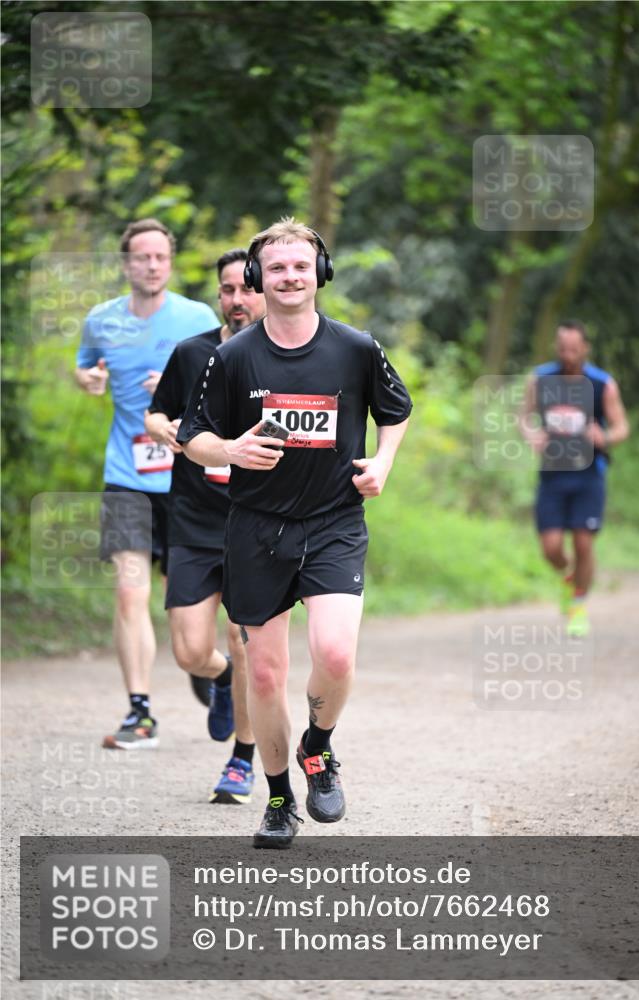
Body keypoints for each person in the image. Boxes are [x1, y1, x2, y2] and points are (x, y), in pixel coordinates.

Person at [178, 217, 412, 848]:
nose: (289, 277)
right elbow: (191, 438)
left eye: (300, 266)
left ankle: (319, 746)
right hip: (256, 530)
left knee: (335, 654)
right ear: (258, 278)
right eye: (276, 268)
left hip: (335, 522)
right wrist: (229, 449)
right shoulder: (232, 357)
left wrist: (382, 463)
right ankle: (279, 798)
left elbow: (396, 412)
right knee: (263, 676)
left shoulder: (356, 348)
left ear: (319, 274)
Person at [75, 218, 219, 750]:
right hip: (127, 476)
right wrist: (88, 379)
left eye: (160, 257)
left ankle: (208, 668)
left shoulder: (197, 318)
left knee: (184, 603)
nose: (151, 265)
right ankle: (140, 711)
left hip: (188, 479)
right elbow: (87, 368)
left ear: (171, 261)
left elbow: (223, 388)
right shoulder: (101, 320)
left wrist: (178, 388)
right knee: (129, 591)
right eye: (141, 257)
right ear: (126, 262)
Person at [144, 249, 266, 802]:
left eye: (246, 289)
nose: (236, 300)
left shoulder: (281, 359)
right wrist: (165, 428)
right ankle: (217, 681)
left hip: (254, 521)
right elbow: (156, 409)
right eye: (227, 290)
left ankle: (242, 759)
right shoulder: (191, 353)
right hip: (192, 517)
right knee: (190, 651)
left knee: (246, 644)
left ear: (264, 293)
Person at [521, 320, 629, 636]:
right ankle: (570, 578)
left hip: (588, 476)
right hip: (552, 474)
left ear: (585, 348)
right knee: (551, 548)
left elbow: (622, 427)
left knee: (584, 543)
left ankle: (578, 604)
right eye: (562, 348)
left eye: (574, 348)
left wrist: (604, 436)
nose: (568, 354)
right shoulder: (540, 379)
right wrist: (532, 435)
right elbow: (524, 417)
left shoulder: (602, 383)